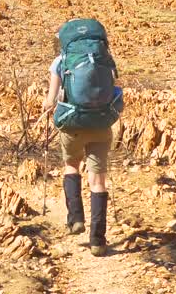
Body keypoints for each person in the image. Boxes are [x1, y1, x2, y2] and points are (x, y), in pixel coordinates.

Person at [41, 18, 120, 257]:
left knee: (71, 166)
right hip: (101, 124)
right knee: (98, 181)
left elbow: (51, 100)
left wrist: (47, 108)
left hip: (73, 123)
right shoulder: (105, 59)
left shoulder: (60, 62)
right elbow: (114, 90)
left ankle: (75, 218)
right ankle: (98, 240)